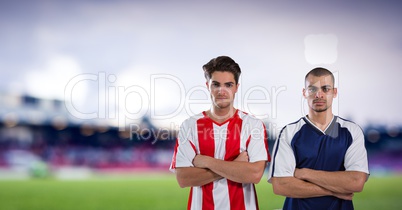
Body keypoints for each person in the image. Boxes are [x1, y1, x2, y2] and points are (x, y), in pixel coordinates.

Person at [170, 56, 270, 210]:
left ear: (236, 87)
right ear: (207, 86)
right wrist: (236, 166)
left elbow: (254, 175)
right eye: (216, 84)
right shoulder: (190, 126)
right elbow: (184, 179)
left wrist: (207, 162)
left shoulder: (253, 125)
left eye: (228, 85)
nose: (221, 91)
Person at [267, 67, 369, 210]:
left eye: (325, 89)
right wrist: (335, 190)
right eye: (312, 89)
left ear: (334, 92)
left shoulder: (352, 131)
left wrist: (304, 173)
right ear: (304, 93)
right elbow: (281, 185)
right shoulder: (289, 133)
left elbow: (356, 182)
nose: (318, 95)